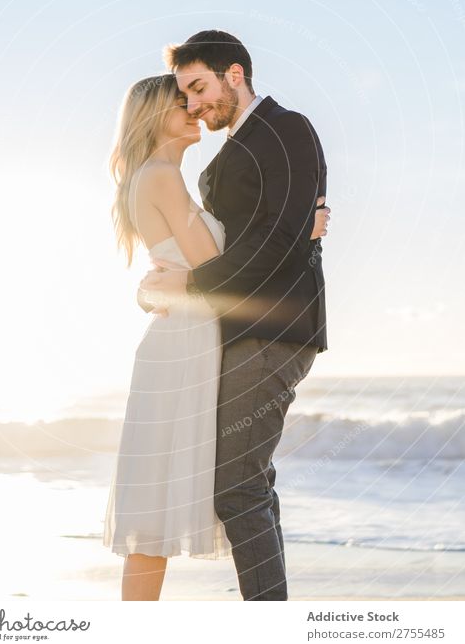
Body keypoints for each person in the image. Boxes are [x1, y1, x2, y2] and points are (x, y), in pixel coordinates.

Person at [103, 66, 329, 601]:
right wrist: (298, 225)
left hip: (192, 341)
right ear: (159, 115)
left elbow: (187, 271)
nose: (194, 108)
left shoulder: (161, 176)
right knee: (157, 507)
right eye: (183, 101)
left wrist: (292, 224)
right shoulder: (161, 175)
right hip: (183, 347)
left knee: (156, 508)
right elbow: (210, 261)